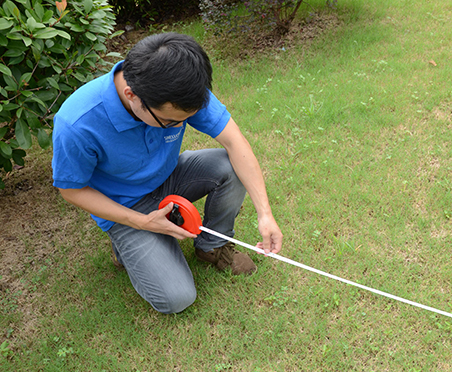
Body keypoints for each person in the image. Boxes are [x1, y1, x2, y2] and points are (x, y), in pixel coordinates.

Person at [52, 32, 283, 314]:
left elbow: (235, 142)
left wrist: (265, 213)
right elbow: (71, 190)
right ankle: (124, 246)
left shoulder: (180, 86)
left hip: (170, 179)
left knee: (229, 166)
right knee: (177, 298)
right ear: (132, 96)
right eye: (172, 122)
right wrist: (141, 222)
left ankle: (212, 246)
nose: (180, 126)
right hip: (125, 205)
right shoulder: (77, 123)